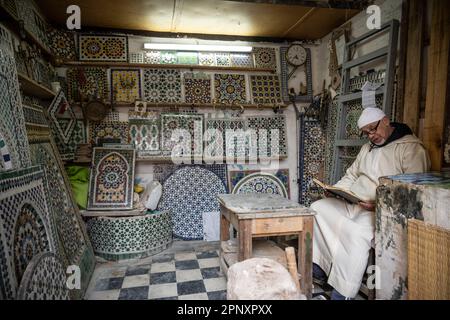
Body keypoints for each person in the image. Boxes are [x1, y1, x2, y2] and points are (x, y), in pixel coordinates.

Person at [311, 106, 430, 300]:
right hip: (356, 203)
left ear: (385, 121)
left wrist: (379, 205)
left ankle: (343, 292)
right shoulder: (367, 148)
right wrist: (335, 190)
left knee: (355, 232)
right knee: (317, 209)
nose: (371, 135)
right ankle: (320, 270)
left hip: (382, 213)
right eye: (366, 133)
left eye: (373, 129)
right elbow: (352, 175)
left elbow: (413, 193)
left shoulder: (411, 148)